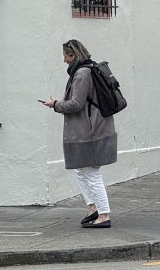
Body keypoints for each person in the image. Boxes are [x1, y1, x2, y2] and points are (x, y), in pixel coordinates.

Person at [43, 39, 117, 228]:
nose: (64, 60)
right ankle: (93, 208)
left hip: (89, 131)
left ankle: (104, 215)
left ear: (73, 55)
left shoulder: (82, 74)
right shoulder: (84, 71)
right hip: (88, 128)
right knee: (80, 170)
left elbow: (76, 104)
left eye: (65, 56)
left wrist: (56, 105)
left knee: (91, 172)